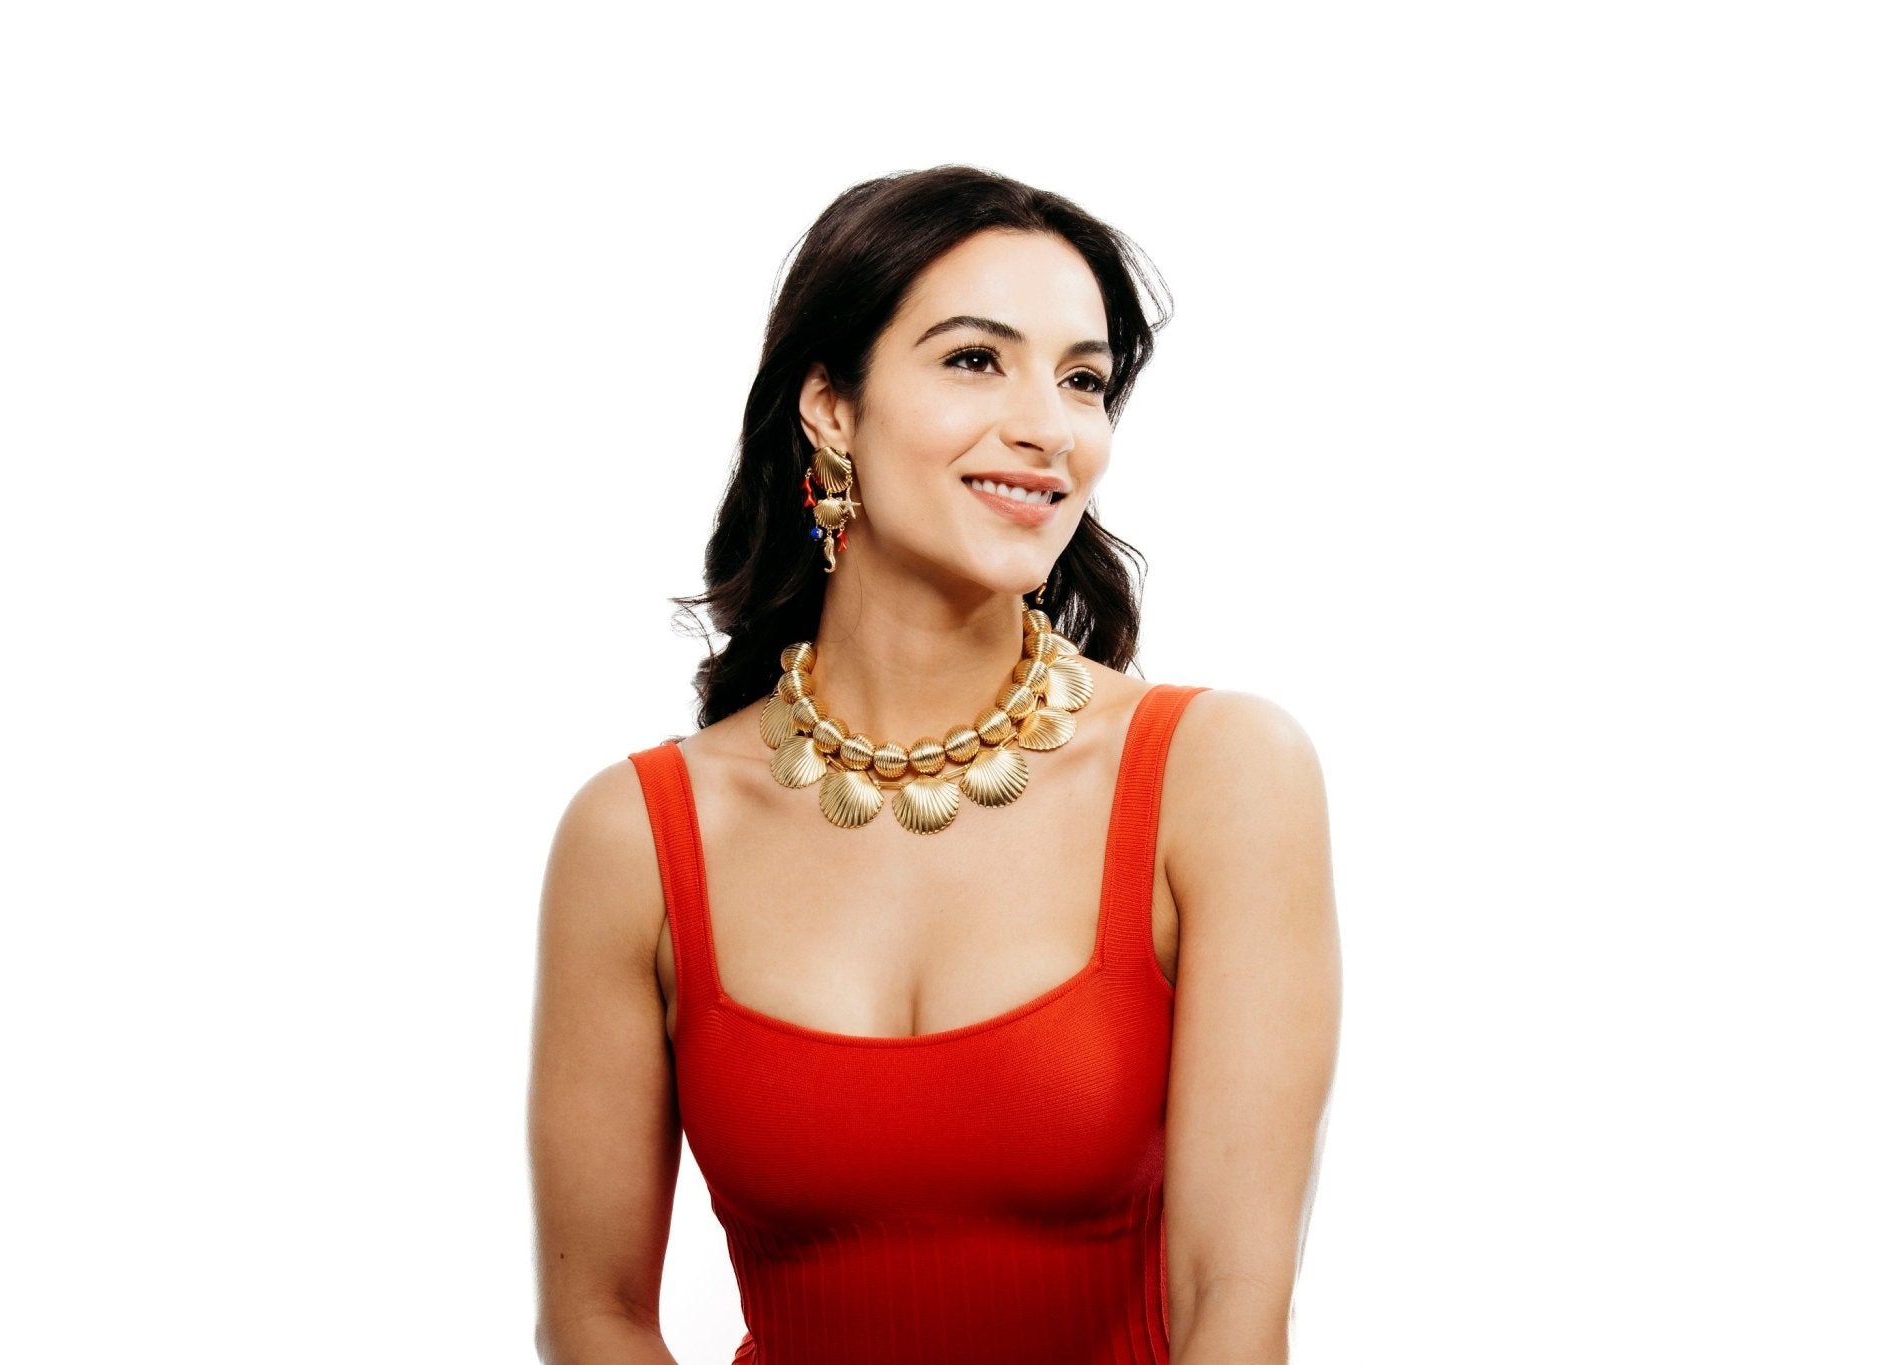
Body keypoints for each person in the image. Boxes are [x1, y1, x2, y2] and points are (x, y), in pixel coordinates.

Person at [527, 165, 1341, 1364]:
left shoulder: (1217, 778)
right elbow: (592, 1315)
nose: (1049, 427)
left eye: (1082, 380)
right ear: (829, 407)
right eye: (974, 360)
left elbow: (1234, 1302)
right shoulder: (638, 835)